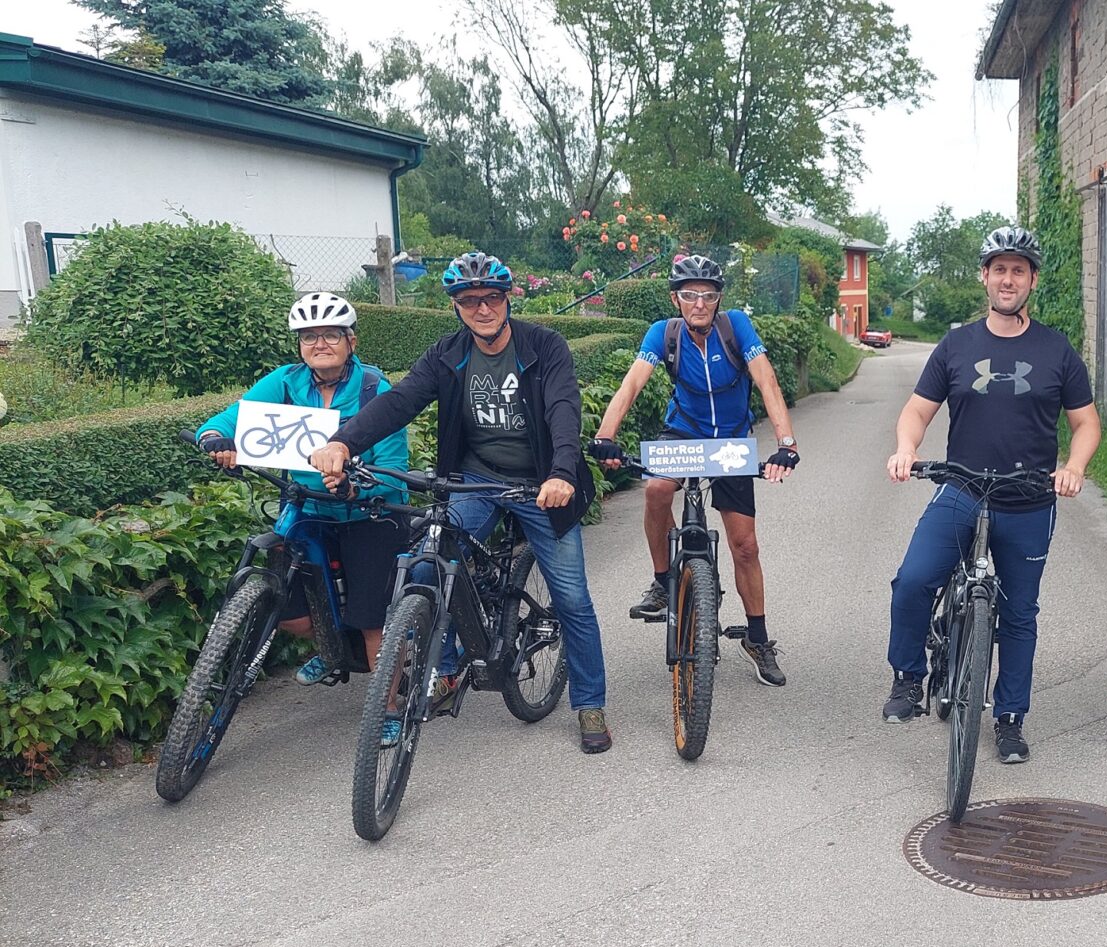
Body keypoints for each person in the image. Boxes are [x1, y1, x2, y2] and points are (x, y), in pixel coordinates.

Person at [308, 252, 614, 754]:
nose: (482, 308)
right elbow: (399, 401)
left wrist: (561, 473)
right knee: (428, 564)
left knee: (573, 600)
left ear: (507, 299)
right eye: (469, 300)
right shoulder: (447, 355)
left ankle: (589, 702)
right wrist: (344, 443)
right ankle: (447, 667)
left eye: (491, 298)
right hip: (476, 479)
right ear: (456, 306)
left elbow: (563, 408)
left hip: (540, 484)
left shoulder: (544, 347)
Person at [882, 226, 1102, 764]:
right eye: (999, 269)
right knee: (912, 581)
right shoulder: (957, 345)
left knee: (1020, 613)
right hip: (962, 489)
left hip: (1028, 499)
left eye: (1018, 270)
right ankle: (909, 676)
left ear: (1032, 280)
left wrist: (1073, 467)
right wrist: (906, 448)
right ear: (984, 276)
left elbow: (1087, 423)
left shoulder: (1056, 350)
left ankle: (1009, 718)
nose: (1008, 279)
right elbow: (917, 410)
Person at [588, 254, 800, 688]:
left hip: (730, 444)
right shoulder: (662, 334)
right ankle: (663, 580)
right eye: (689, 295)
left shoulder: (735, 326)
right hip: (683, 433)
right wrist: (604, 435)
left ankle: (757, 639)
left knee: (745, 546)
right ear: (676, 299)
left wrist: (786, 445)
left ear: (718, 299)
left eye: (707, 295)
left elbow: (767, 381)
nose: (699, 303)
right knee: (656, 489)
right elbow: (631, 384)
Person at [196, 292, 410, 682]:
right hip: (309, 510)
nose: (320, 344)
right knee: (291, 614)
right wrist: (216, 438)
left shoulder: (374, 388)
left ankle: (391, 709)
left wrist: (353, 487)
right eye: (309, 337)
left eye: (331, 334)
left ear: (351, 342)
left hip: (369, 514)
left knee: (373, 623)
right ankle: (333, 647)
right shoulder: (287, 381)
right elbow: (234, 417)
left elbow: (394, 470)